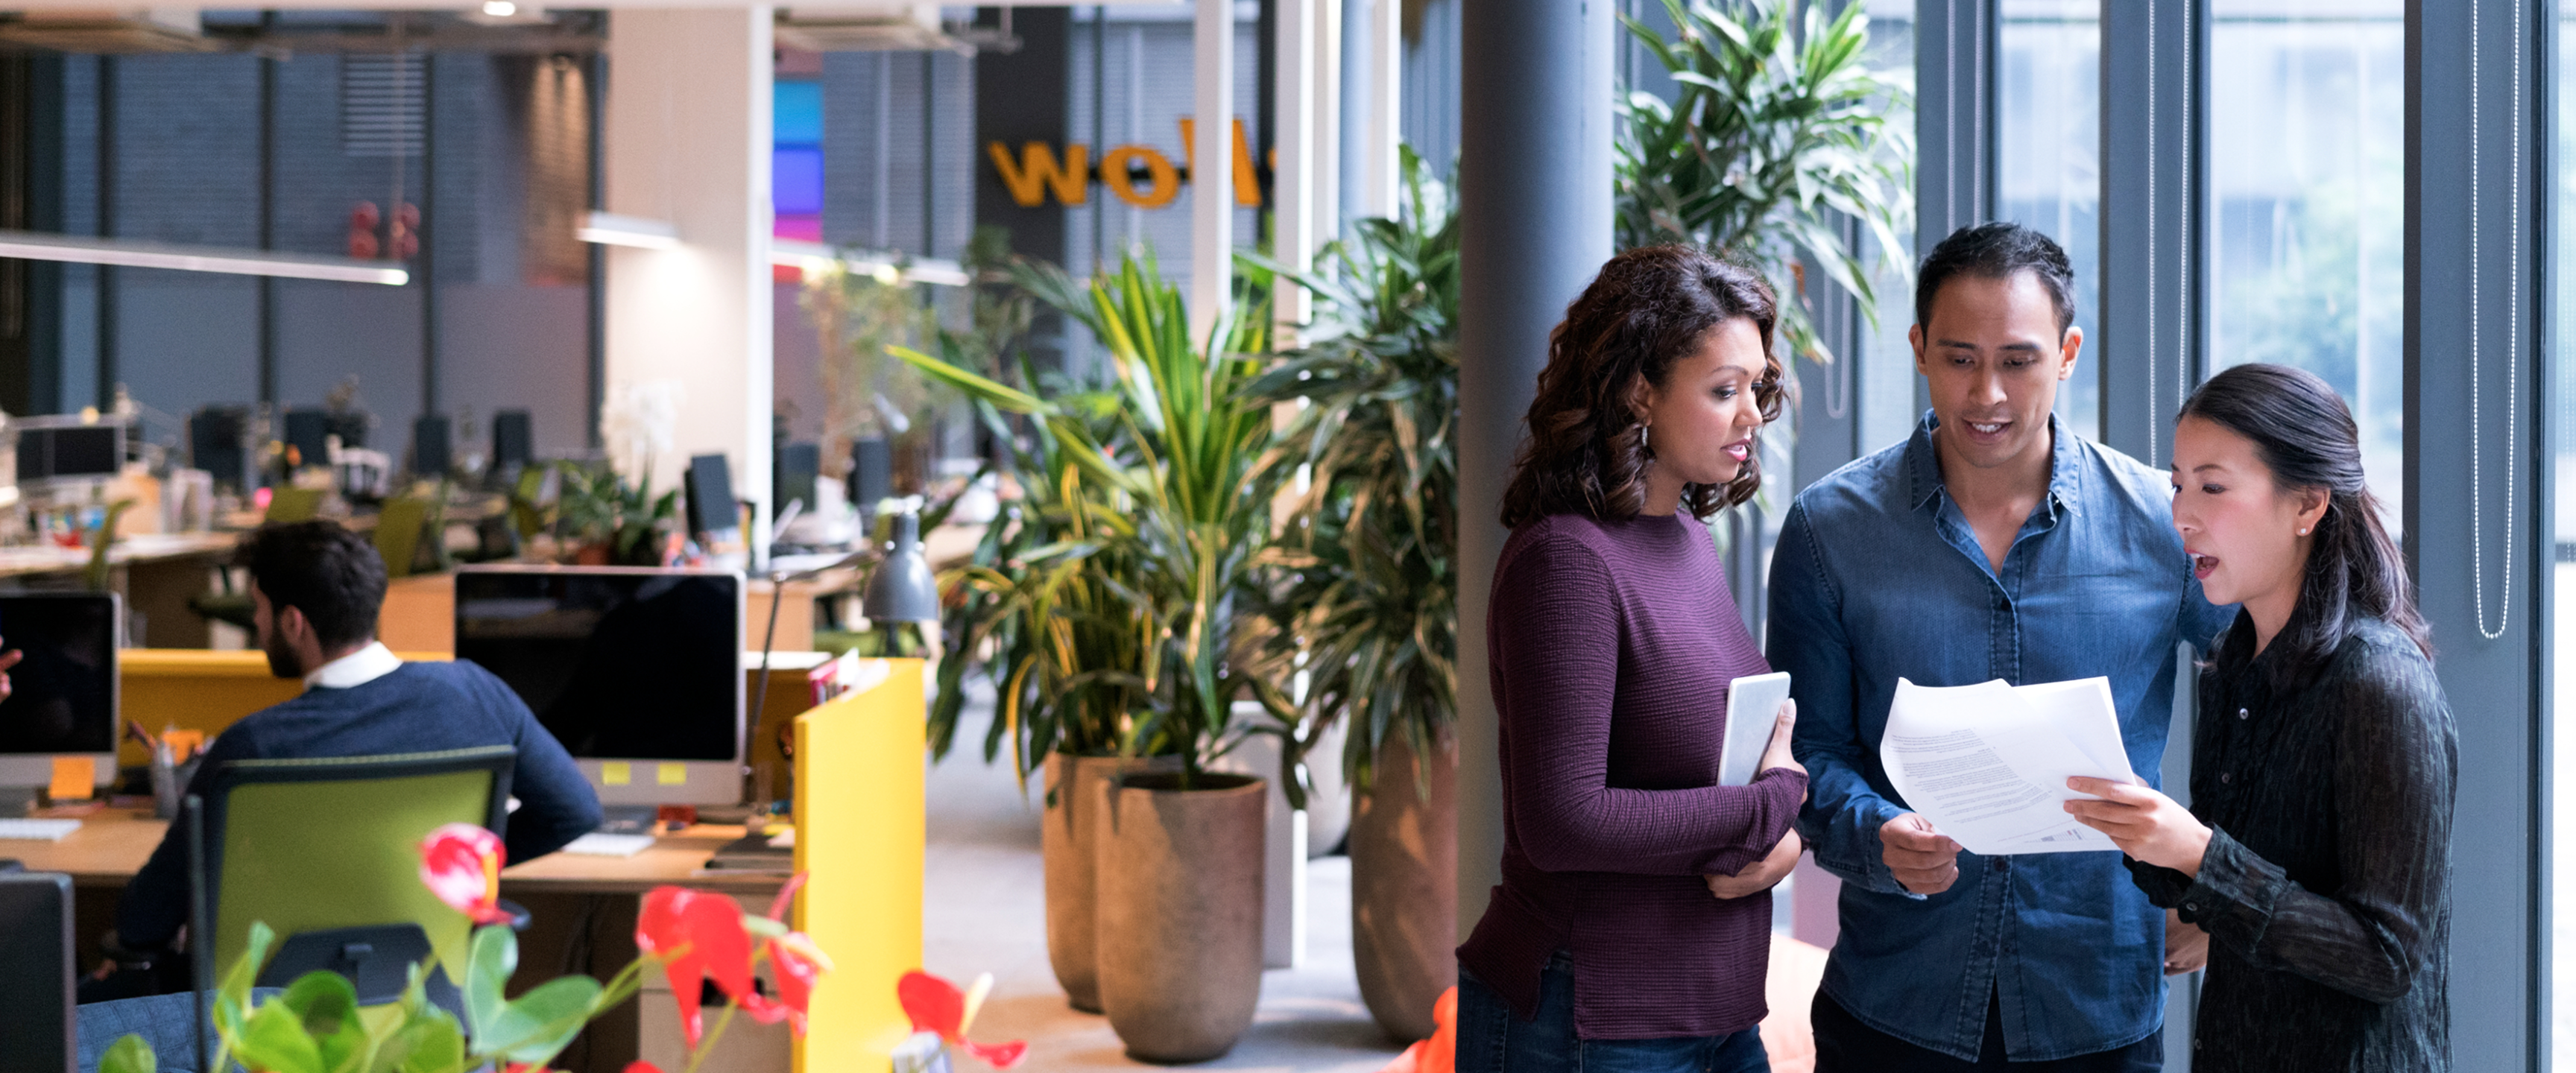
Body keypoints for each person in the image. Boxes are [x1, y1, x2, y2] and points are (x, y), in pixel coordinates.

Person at [1767, 221, 2236, 1070]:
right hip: (1894, 1005)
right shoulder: (1829, 531)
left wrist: (2219, 878)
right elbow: (1810, 753)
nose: (1987, 393)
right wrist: (1878, 836)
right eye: (1959, 358)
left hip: (2098, 1000)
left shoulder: (2164, 525)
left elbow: (2267, 693)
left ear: (2067, 353)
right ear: (1918, 349)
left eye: (2018, 360)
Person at [1453, 245, 1808, 1073]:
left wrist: (1778, 840)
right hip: (1595, 1018)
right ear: (1640, 391)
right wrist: (1773, 803)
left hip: (1713, 1008)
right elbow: (1565, 820)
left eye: (1756, 388)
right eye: (1724, 391)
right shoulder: (1566, 562)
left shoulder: (1683, 536)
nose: (1752, 414)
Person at [2065, 363, 2452, 1072]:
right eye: (2178, 483)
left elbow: (2386, 956)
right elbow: (2229, 886)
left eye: (2213, 487)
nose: (2181, 513)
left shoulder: (2382, 684)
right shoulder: (2233, 659)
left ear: (2307, 505)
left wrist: (2196, 853)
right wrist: (2134, 827)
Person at [101, 520, 602, 981]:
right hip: (425, 1014)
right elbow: (573, 812)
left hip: (271, 1028)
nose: (256, 625)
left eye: (259, 609)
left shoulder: (252, 747)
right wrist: (446, 867)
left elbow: (141, 922)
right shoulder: (476, 694)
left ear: (294, 623)